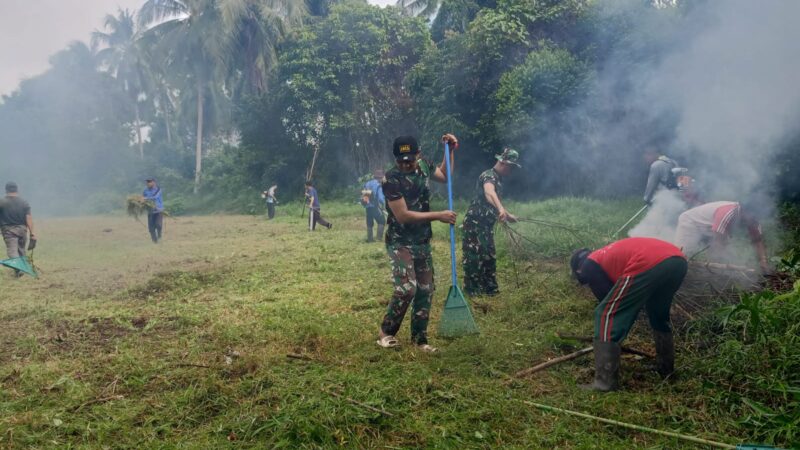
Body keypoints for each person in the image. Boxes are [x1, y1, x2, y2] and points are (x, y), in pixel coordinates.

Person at [570, 237, 688, 391]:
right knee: (657, 313)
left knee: (606, 313)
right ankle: (665, 368)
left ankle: (604, 383)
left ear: (578, 270)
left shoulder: (588, 264)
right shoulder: (606, 254)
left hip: (649, 260)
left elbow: (608, 300)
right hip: (677, 259)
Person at [377, 133, 459, 352]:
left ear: (418, 155)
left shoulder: (423, 166)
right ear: (395, 159)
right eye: (401, 160)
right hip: (400, 241)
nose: (406, 164)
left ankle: (420, 340)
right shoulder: (391, 180)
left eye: (410, 160)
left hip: (421, 239)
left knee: (426, 288)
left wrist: (449, 151)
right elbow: (403, 215)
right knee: (406, 289)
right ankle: (386, 333)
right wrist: (438, 215)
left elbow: (445, 176)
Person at [461, 148, 521, 296]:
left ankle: (490, 290)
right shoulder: (488, 175)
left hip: (486, 226)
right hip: (474, 225)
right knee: (474, 257)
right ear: (503, 162)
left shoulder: (497, 178)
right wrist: (501, 209)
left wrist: (507, 214)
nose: (511, 171)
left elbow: (494, 202)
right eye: (511, 167)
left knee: (488, 256)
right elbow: (489, 193)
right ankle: (472, 291)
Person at [674, 201, 768, 271]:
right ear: (742, 210)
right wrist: (719, 267)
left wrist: (763, 262)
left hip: (709, 227)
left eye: (755, 216)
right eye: (750, 216)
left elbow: (757, 241)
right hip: (690, 222)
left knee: (725, 249)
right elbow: (718, 243)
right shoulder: (727, 213)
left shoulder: (753, 219)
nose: (752, 219)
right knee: (683, 254)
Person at [0, 182, 36, 277]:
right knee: (21, 250)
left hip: (8, 230)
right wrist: (32, 233)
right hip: (22, 230)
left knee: (12, 251)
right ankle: (21, 270)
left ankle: (20, 269)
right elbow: (29, 218)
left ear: (6, 190)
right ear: (17, 189)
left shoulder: (1, 202)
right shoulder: (24, 202)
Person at [361, 169, 386, 242]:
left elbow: (364, 195)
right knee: (382, 221)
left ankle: (370, 239)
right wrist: (384, 205)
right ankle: (378, 239)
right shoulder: (379, 185)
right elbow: (381, 198)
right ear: (381, 177)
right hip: (375, 206)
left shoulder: (367, 183)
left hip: (367, 206)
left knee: (369, 222)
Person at [142, 178, 164, 243]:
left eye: (149, 182)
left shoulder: (158, 189)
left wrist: (145, 198)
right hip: (150, 211)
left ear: (154, 182)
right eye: (147, 182)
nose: (148, 183)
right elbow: (142, 197)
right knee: (151, 228)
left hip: (158, 210)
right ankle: (155, 242)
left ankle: (159, 236)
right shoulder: (145, 190)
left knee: (158, 225)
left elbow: (155, 197)